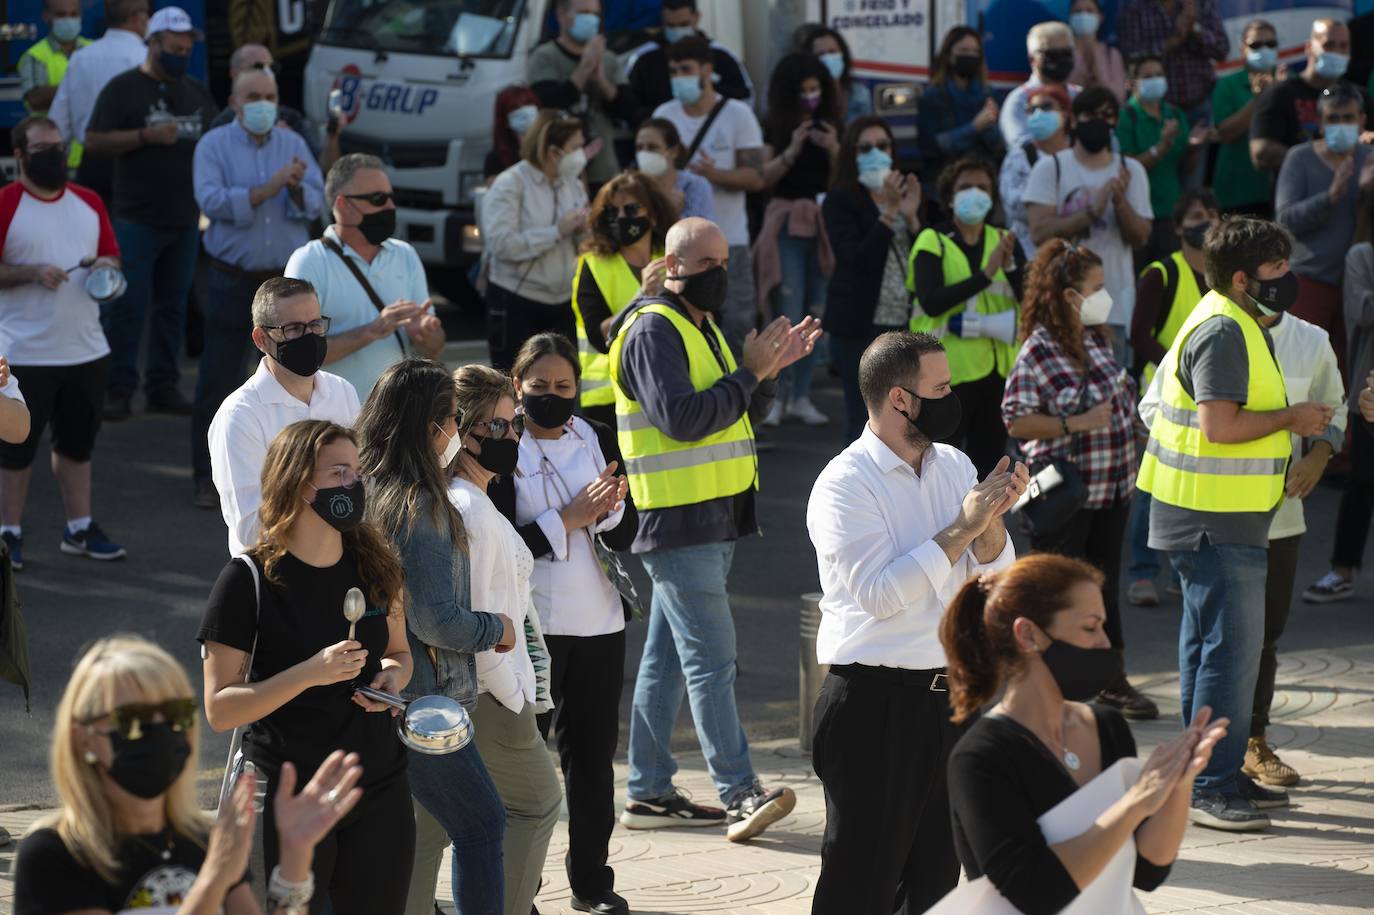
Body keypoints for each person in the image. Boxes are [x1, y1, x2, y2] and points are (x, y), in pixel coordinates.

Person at [609, 217, 817, 841]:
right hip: (678, 523)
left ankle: (646, 791)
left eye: (724, 261)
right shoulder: (652, 330)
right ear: (672, 266)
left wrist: (769, 371)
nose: (719, 274)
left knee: (670, 660)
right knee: (712, 661)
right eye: (707, 264)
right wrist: (751, 373)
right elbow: (684, 419)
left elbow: (742, 412)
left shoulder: (698, 326)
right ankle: (739, 792)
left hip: (711, 517)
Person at [806, 330, 1025, 914]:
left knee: (933, 882)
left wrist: (993, 520)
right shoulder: (845, 484)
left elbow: (994, 576)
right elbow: (879, 595)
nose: (956, 396)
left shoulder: (953, 464)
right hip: (874, 705)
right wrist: (961, 528)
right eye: (943, 387)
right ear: (901, 399)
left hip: (948, 700)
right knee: (862, 883)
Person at [1137, 216, 1333, 830]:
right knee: (1230, 657)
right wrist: (1292, 419)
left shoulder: (1228, 317)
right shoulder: (1225, 328)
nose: (1288, 278)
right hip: (1216, 521)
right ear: (1245, 278)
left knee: (1208, 651)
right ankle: (1214, 786)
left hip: (1213, 519)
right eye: (1276, 269)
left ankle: (1201, 774)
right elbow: (1219, 427)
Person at [200, 420, 416, 913]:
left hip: (378, 784)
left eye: (357, 472)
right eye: (339, 472)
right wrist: (310, 673)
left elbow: (400, 654)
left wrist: (390, 678)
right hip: (288, 794)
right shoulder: (247, 579)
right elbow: (220, 709)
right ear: (299, 482)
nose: (354, 484)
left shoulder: (377, 566)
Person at [939, 555, 1228, 914]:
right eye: (1090, 628)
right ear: (1028, 634)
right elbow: (1032, 892)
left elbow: (1148, 870)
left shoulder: (1107, 725)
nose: (1105, 643)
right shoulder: (980, 756)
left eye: (1104, 627)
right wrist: (1134, 804)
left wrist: (1178, 783)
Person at [13, 634, 366, 915]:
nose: (160, 732)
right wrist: (213, 881)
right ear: (83, 738)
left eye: (175, 716)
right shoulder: (54, 854)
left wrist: (295, 858)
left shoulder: (200, 840)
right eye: (134, 720)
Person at [354, 358, 514, 915]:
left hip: (375, 692)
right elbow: (436, 619)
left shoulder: (361, 489)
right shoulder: (420, 505)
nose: (457, 430)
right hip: (422, 699)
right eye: (452, 418)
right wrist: (497, 629)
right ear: (430, 428)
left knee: (396, 835)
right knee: (482, 824)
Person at [491, 333, 638, 915]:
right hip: (534, 628)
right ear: (516, 388)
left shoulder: (593, 435)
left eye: (564, 387)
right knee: (523, 760)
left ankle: (591, 882)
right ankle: (515, 887)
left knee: (593, 760)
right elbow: (504, 544)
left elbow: (624, 534)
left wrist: (610, 509)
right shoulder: (503, 447)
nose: (553, 397)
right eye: (539, 387)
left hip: (600, 621)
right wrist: (569, 517)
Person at [1002, 240, 1158, 719]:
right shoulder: (1039, 350)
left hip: (1112, 487)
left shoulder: (1097, 339)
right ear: (1070, 296)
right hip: (1066, 495)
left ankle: (1109, 679)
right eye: (1096, 288)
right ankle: (1046, 686)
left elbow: (1122, 402)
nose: (1104, 296)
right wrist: (1076, 423)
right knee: (1056, 595)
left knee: (1103, 588)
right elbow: (1016, 421)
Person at [447, 364, 562, 915]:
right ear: (458, 431)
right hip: (493, 696)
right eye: (493, 428)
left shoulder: (474, 500)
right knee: (537, 803)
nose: (510, 437)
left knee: (437, 827)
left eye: (512, 424)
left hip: (486, 692)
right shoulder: (469, 508)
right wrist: (511, 693)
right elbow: (480, 616)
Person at [191, 67, 325, 509]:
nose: (264, 103)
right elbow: (210, 201)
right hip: (234, 278)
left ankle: (288, 473)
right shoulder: (214, 145)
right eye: (254, 96)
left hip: (283, 285)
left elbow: (317, 200)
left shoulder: (292, 143)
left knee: (287, 381)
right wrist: (266, 188)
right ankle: (207, 479)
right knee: (220, 378)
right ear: (234, 102)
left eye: (270, 94)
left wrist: (296, 189)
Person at [0, 116, 125, 570]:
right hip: (23, 353)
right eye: (42, 149)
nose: (54, 155)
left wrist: (102, 265)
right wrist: (30, 273)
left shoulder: (89, 202)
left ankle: (80, 527)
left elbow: (112, 257)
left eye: (58, 146)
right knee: (15, 450)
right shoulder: (6, 204)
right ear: (20, 156)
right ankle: (7, 534)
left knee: (77, 447)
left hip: (85, 349)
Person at [83, 6, 217, 423]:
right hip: (135, 218)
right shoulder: (123, 89)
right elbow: (93, 140)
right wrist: (143, 136)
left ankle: (163, 385)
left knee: (173, 307)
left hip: (184, 220)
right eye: (174, 48)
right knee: (127, 306)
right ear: (153, 43)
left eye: (186, 49)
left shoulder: (195, 91)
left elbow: (213, 144)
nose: (181, 55)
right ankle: (118, 388)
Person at [209, 278, 360, 556]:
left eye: (315, 325)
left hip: (342, 564)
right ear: (262, 339)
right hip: (277, 576)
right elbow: (250, 527)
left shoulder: (342, 392)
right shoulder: (240, 415)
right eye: (293, 329)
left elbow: (362, 485)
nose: (310, 336)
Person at [285, 153, 445, 400]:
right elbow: (296, 352)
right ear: (342, 205)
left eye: (391, 197)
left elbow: (434, 349)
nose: (390, 207)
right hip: (335, 421)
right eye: (378, 198)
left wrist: (427, 336)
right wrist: (371, 331)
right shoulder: (309, 261)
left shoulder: (405, 255)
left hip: (396, 418)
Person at [1126, 189, 1216, 607]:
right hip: (1162, 397)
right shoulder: (1161, 273)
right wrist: (1181, 369)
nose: (1206, 222)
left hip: (1212, 397)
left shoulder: (1226, 273)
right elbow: (1138, 335)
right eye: (1196, 216)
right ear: (1178, 227)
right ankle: (1142, 573)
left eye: (1212, 215)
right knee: (1152, 485)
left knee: (1196, 484)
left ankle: (1184, 572)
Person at [907, 157, 1024, 477]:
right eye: (966, 187)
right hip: (945, 377)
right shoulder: (933, 240)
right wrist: (985, 275)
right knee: (940, 470)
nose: (976, 194)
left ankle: (984, 527)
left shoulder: (1003, 240)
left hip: (996, 374)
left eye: (983, 188)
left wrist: (1011, 266)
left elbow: (1028, 297)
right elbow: (931, 302)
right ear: (949, 196)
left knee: (988, 470)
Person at [652, 36, 764, 353]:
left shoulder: (737, 114)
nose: (679, 77)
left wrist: (714, 175)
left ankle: (743, 394)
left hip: (731, 243)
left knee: (739, 323)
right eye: (673, 71)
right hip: (678, 248)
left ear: (707, 70)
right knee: (681, 324)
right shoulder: (665, 114)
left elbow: (756, 176)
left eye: (686, 69)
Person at [1025, 87, 1153, 349]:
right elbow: (1039, 232)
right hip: (1063, 304)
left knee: (1111, 385)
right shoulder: (1051, 167)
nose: (1098, 122)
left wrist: (1119, 201)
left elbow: (1140, 238)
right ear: (1073, 120)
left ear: (1115, 122)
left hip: (1114, 304)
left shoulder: (1132, 171)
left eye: (1106, 116)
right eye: (1089, 115)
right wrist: (1092, 212)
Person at [754, 51, 841, 427]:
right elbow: (763, 177)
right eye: (804, 90)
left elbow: (843, 180)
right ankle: (777, 393)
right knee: (785, 308)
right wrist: (791, 150)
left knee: (815, 308)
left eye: (816, 88)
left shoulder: (831, 126)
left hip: (820, 224)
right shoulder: (773, 127)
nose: (811, 96)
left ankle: (802, 395)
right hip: (787, 223)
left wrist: (835, 147)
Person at [821, 116, 922, 443]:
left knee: (906, 421)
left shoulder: (908, 193)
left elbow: (928, 257)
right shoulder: (841, 199)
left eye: (883, 145)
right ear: (851, 153)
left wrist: (912, 217)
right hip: (859, 326)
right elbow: (857, 260)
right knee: (862, 421)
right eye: (865, 147)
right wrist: (889, 212)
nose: (876, 152)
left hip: (904, 324)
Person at [1274, 82, 1371, 382]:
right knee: (1302, 376)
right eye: (1333, 119)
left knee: (1352, 378)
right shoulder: (1299, 158)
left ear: (1362, 121)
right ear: (1320, 121)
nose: (1341, 125)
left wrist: (1368, 194)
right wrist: (1331, 196)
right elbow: (1285, 220)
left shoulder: (1369, 159)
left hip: (1359, 289)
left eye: (1348, 118)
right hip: (1310, 283)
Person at [482, 111, 590, 370]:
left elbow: (584, 244)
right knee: (514, 385)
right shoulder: (510, 183)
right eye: (576, 147)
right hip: (517, 301)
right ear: (553, 151)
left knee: (561, 384)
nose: (582, 154)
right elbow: (500, 243)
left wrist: (584, 231)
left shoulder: (572, 184)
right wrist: (556, 231)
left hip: (563, 302)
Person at [571, 171, 672, 429]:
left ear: (653, 213)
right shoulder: (593, 265)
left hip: (668, 385)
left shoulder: (672, 257)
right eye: (612, 211)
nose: (621, 218)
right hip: (609, 398)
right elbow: (599, 335)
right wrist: (642, 296)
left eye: (631, 209)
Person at [1306, 242, 1374, 604]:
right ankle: (1342, 570)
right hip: (1369, 397)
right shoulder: (1362, 255)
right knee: (1361, 484)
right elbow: (1362, 310)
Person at [526, 0, 635, 189]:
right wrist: (583, 71)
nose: (591, 19)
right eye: (584, 12)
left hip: (603, 169)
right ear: (561, 15)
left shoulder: (608, 59)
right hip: (558, 168)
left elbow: (628, 109)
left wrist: (601, 80)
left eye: (595, 14)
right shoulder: (544, 56)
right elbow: (548, 103)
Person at [49, 0, 149, 198]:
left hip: (92, 165)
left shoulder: (81, 58)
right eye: (147, 13)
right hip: (136, 161)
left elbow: (58, 123)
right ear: (136, 16)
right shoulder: (146, 59)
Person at [1117, 52, 1207, 268]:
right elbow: (1130, 168)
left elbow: (1185, 169)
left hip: (1171, 214)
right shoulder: (1126, 117)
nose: (1156, 80)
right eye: (1148, 76)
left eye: (1159, 74)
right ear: (1131, 83)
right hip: (1139, 217)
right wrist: (1161, 146)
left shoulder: (1174, 114)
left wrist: (1193, 149)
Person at [1250, 19, 1374, 174]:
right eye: (1329, 45)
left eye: (1343, 46)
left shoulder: (1360, 96)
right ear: (1309, 47)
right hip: (1299, 193)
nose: (1336, 52)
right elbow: (1261, 152)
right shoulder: (1280, 94)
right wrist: (1318, 161)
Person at [1118, 0, 1228, 158]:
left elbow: (1222, 49)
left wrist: (1194, 28)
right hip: (1155, 113)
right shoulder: (1135, 8)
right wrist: (1174, 39)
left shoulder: (1201, 4)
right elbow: (1132, 56)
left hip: (1200, 105)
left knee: (1193, 171)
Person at [208, 44, 339, 173]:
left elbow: (324, 170)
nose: (267, 73)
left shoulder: (291, 118)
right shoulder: (220, 129)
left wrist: (331, 136)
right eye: (258, 67)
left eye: (272, 68)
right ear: (234, 74)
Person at [917, 26, 1004, 206]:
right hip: (942, 187)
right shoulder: (933, 97)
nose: (970, 56)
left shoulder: (988, 94)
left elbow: (999, 148)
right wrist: (974, 127)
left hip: (982, 185)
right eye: (964, 51)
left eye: (975, 52)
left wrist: (990, 124)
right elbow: (931, 147)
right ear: (949, 55)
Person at [624, 0, 753, 118]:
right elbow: (631, 104)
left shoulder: (721, 55)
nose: (677, 31)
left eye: (684, 25)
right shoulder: (645, 57)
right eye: (671, 26)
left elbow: (745, 97)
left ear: (696, 17)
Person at [1211, 19, 1280, 217]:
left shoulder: (1288, 82)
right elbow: (1226, 133)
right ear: (1243, 49)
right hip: (1237, 192)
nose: (1264, 49)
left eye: (1270, 44)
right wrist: (1259, 99)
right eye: (1256, 45)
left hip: (1279, 189)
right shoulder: (1228, 86)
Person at [1001, 84, 1074, 258]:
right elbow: (1014, 206)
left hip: (1074, 252)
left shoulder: (1080, 155)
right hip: (1029, 253)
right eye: (1031, 109)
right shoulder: (1018, 157)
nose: (1038, 114)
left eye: (1046, 107)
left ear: (1064, 114)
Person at [18, 0, 89, 168]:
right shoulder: (35, 56)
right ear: (46, 16)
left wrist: (57, 91)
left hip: (90, 155)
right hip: (51, 157)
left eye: (73, 14)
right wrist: (85, 88)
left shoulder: (93, 49)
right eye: (61, 15)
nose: (68, 20)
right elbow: (36, 98)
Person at [1001, 21, 1080, 147]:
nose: (1060, 60)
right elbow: (1020, 147)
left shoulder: (1079, 95)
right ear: (1032, 59)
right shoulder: (1018, 101)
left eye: (1066, 53)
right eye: (1052, 55)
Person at [632, 117, 714, 221]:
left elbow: (703, 233)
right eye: (639, 148)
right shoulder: (632, 188)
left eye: (652, 147)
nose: (644, 153)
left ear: (673, 151)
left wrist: (674, 215)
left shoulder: (695, 186)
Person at [793, 24, 872, 124]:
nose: (828, 58)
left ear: (843, 55)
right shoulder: (806, 97)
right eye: (821, 54)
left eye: (832, 52)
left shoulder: (860, 95)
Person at [1068, 0, 1126, 101]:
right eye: (1077, 11)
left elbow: (1120, 97)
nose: (1083, 15)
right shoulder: (1063, 52)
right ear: (1070, 17)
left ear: (1100, 17)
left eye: (1089, 11)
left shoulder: (1111, 54)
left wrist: (1099, 77)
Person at [483, 85, 541, 181]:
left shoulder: (547, 148)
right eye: (516, 108)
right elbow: (497, 192)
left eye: (528, 104)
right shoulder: (495, 158)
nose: (525, 111)